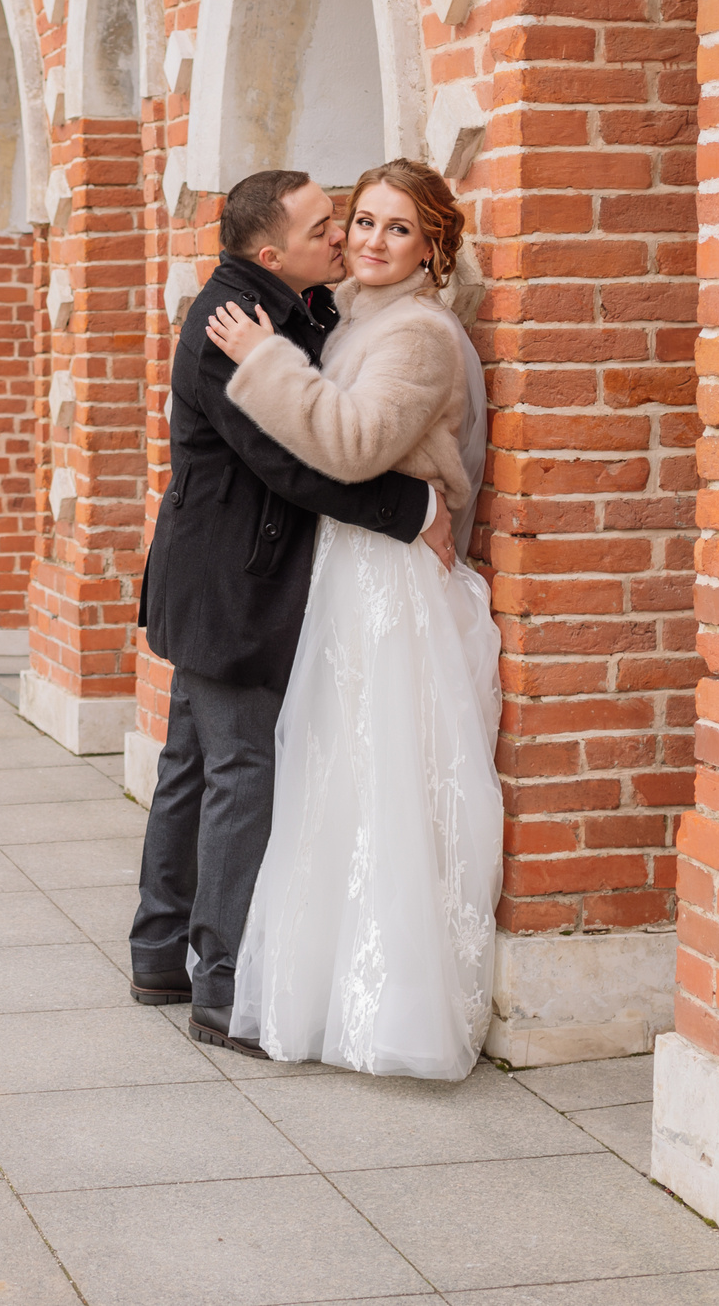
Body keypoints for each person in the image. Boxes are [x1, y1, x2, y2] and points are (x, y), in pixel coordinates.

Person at [132, 168, 452, 1055]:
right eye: (330, 226)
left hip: (216, 575)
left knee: (193, 763)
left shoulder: (291, 304)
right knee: (238, 772)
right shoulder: (231, 326)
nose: (346, 238)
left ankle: (159, 950)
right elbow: (294, 466)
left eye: (362, 222)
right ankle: (222, 979)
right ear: (274, 252)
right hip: (232, 585)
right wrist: (414, 510)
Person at [203, 159, 503, 1079]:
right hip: (351, 574)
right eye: (360, 222)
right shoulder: (360, 318)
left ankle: (391, 1011)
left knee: (381, 787)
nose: (368, 240)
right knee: (330, 782)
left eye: (395, 228)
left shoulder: (418, 334)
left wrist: (262, 363)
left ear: (433, 247)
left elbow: (356, 442)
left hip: (392, 588)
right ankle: (323, 990)